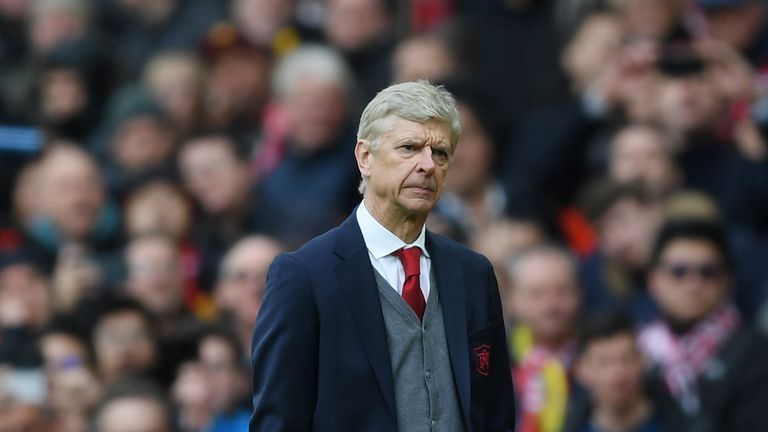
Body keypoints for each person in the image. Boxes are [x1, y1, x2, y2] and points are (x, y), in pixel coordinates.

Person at [250, 81, 515, 431]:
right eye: (409, 148)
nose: (427, 165)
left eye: (441, 153)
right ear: (365, 157)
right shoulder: (304, 275)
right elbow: (278, 421)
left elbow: (496, 413)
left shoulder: (473, 272)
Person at [639, 219, 768, 431]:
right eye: (678, 272)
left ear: (728, 280)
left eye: (707, 272)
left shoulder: (757, 351)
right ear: (653, 280)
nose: (693, 284)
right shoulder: (636, 352)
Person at [564, 311, 665, 432]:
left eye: (626, 359)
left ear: (643, 361)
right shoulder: (571, 426)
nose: (617, 373)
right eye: (603, 363)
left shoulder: (679, 423)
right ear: (580, 370)